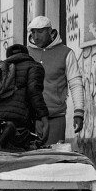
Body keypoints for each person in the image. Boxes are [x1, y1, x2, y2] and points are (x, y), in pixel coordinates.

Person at [27, 16, 85, 144]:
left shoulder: (66, 53)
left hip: (55, 117)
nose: (36, 36)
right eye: (33, 32)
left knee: (53, 160)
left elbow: (75, 84)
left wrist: (78, 112)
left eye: (40, 32)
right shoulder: (26, 53)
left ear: (50, 32)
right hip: (30, 119)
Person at [0, 44, 50, 149]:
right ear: (26, 54)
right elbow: (34, 93)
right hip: (18, 118)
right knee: (22, 147)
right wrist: (45, 120)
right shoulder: (34, 66)